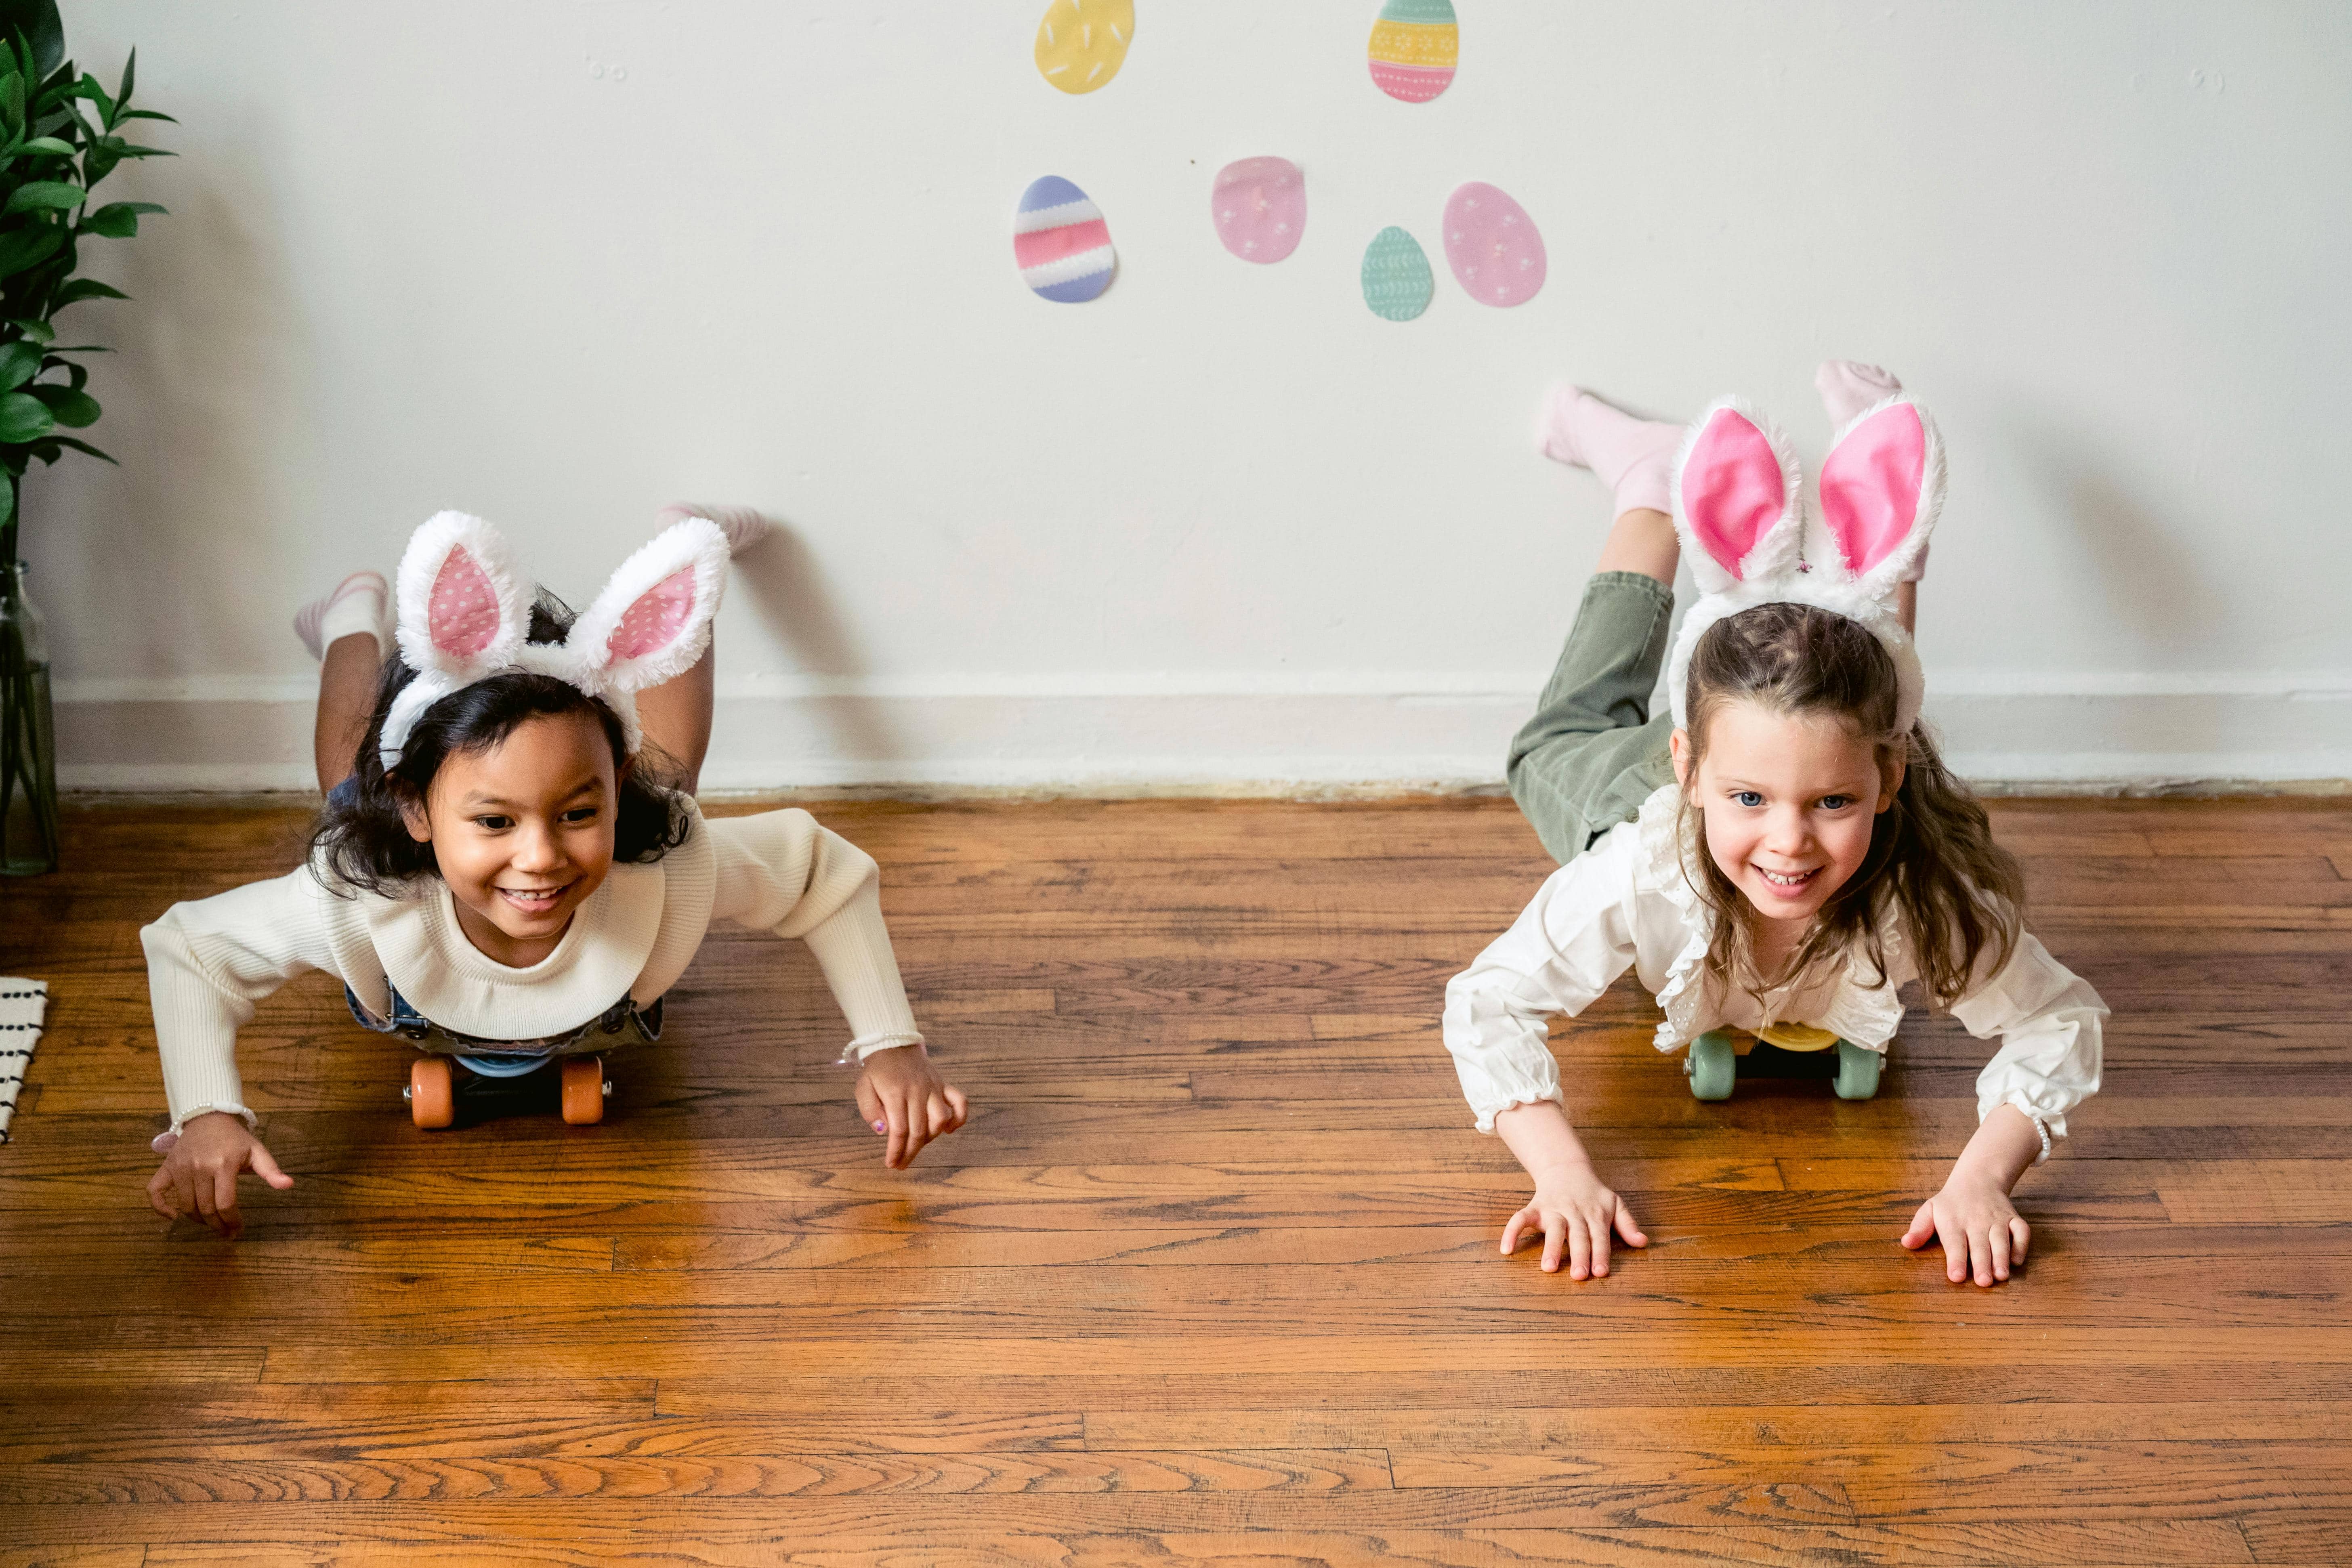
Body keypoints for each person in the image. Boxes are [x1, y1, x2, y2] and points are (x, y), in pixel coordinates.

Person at [1442, 365, 2104, 1289]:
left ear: (1882, 784)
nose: (1790, 843)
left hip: (1797, 740)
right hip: (1665, 782)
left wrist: (1982, 1180)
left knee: (1863, 690)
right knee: (1549, 744)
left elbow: (2058, 1018)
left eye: (1831, 803)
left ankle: (1883, 548)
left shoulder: (1915, 882)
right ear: (1690, 770)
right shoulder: (1641, 868)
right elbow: (1486, 1000)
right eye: (1754, 801)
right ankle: (1649, 482)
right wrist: (1559, 1171)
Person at [144, 506, 967, 1237]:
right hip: (393, 837)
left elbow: (821, 870)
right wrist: (207, 1112)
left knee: (675, 779)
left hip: (626, 823)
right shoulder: (360, 899)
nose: (539, 857)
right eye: (495, 822)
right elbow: (192, 947)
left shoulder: (667, 867)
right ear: (421, 812)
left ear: (614, 783)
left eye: (578, 812)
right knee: (342, 781)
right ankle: (351, 618)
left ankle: (688, 543)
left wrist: (891, 1046)